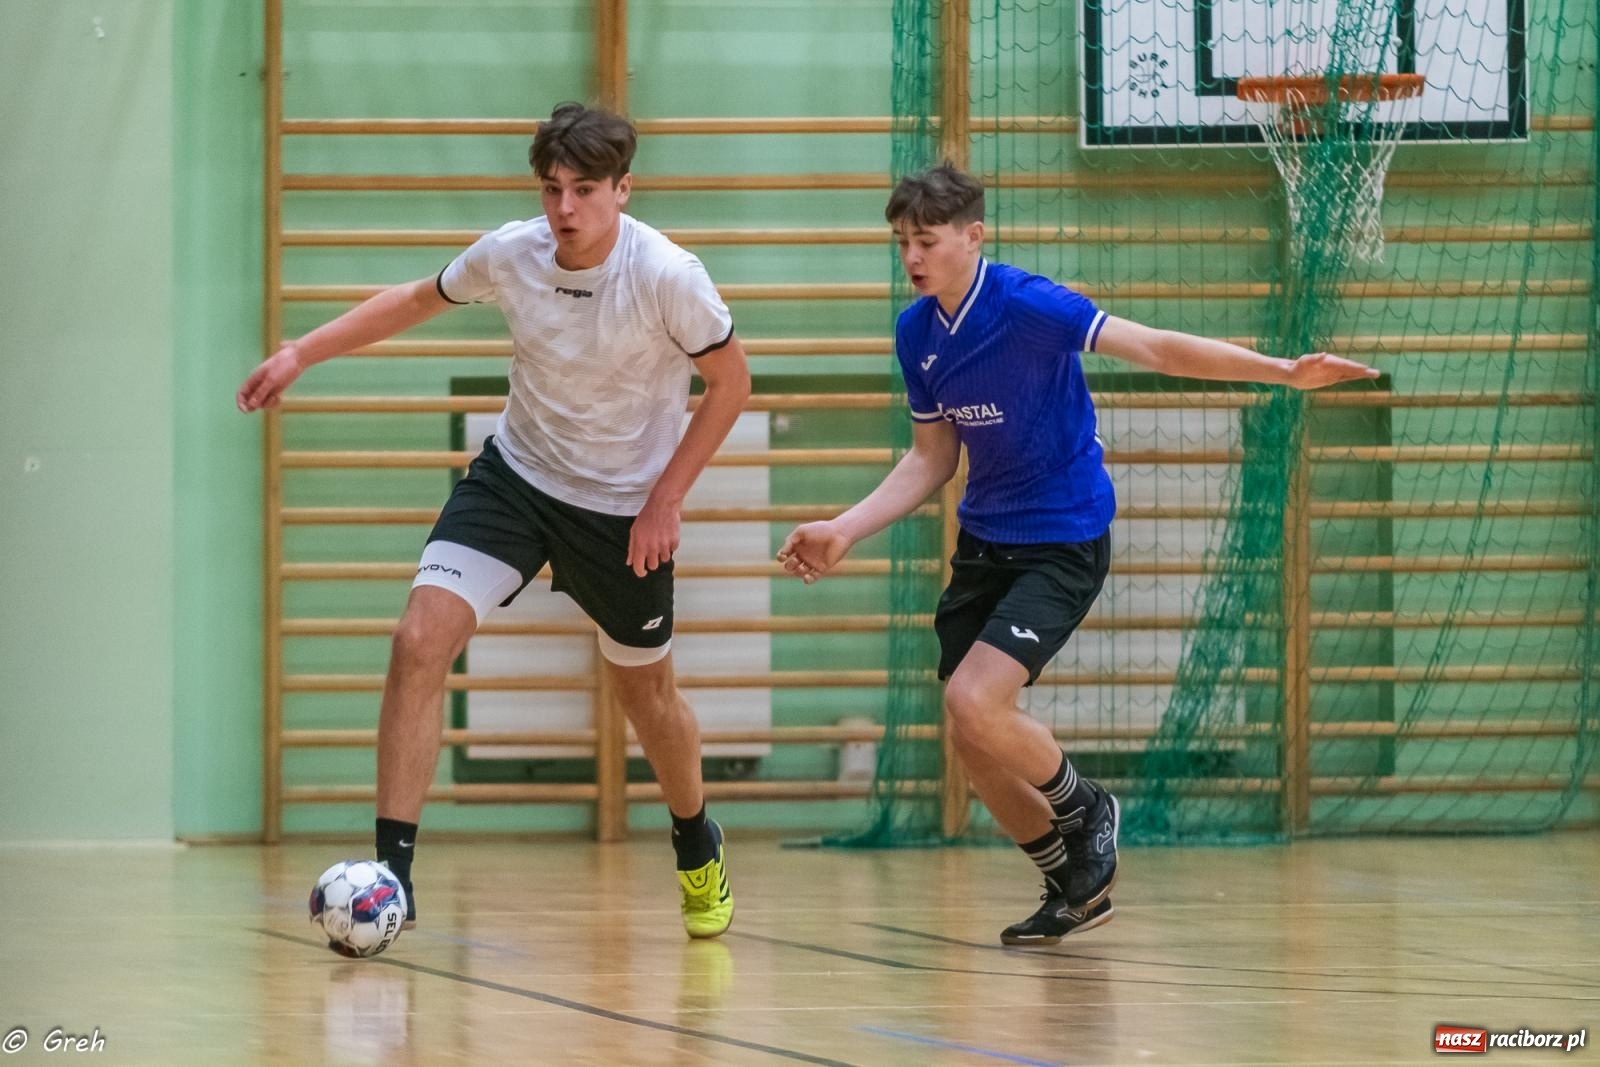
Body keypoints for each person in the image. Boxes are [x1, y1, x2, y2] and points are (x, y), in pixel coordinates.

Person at [777, 163, 1377, 945]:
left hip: (1063, 536)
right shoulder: (916, 334)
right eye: (902, 243)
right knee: (971, 736)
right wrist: (844, 527)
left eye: (926, 240)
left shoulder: (1027, 305)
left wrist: (1281, 372)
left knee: (972, 702)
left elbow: (1154, 347)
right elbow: (931, 458)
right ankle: (1074, 883)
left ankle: (1087, 804)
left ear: (973, 236)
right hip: (988, 539)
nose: (913, 257)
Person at [238, 102, 750, 940]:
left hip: (621, 511)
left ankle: (697, 836)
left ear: (624, 189)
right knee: (417, 640)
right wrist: (301, 352)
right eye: (553, 189)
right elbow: (412, 299)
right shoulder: (513, 253)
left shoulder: (667, 276)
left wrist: (666, 500)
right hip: (516, 479)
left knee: (647, 699)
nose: (565, 209)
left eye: (585, 190)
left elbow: (732, 385)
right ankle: (392, 879)